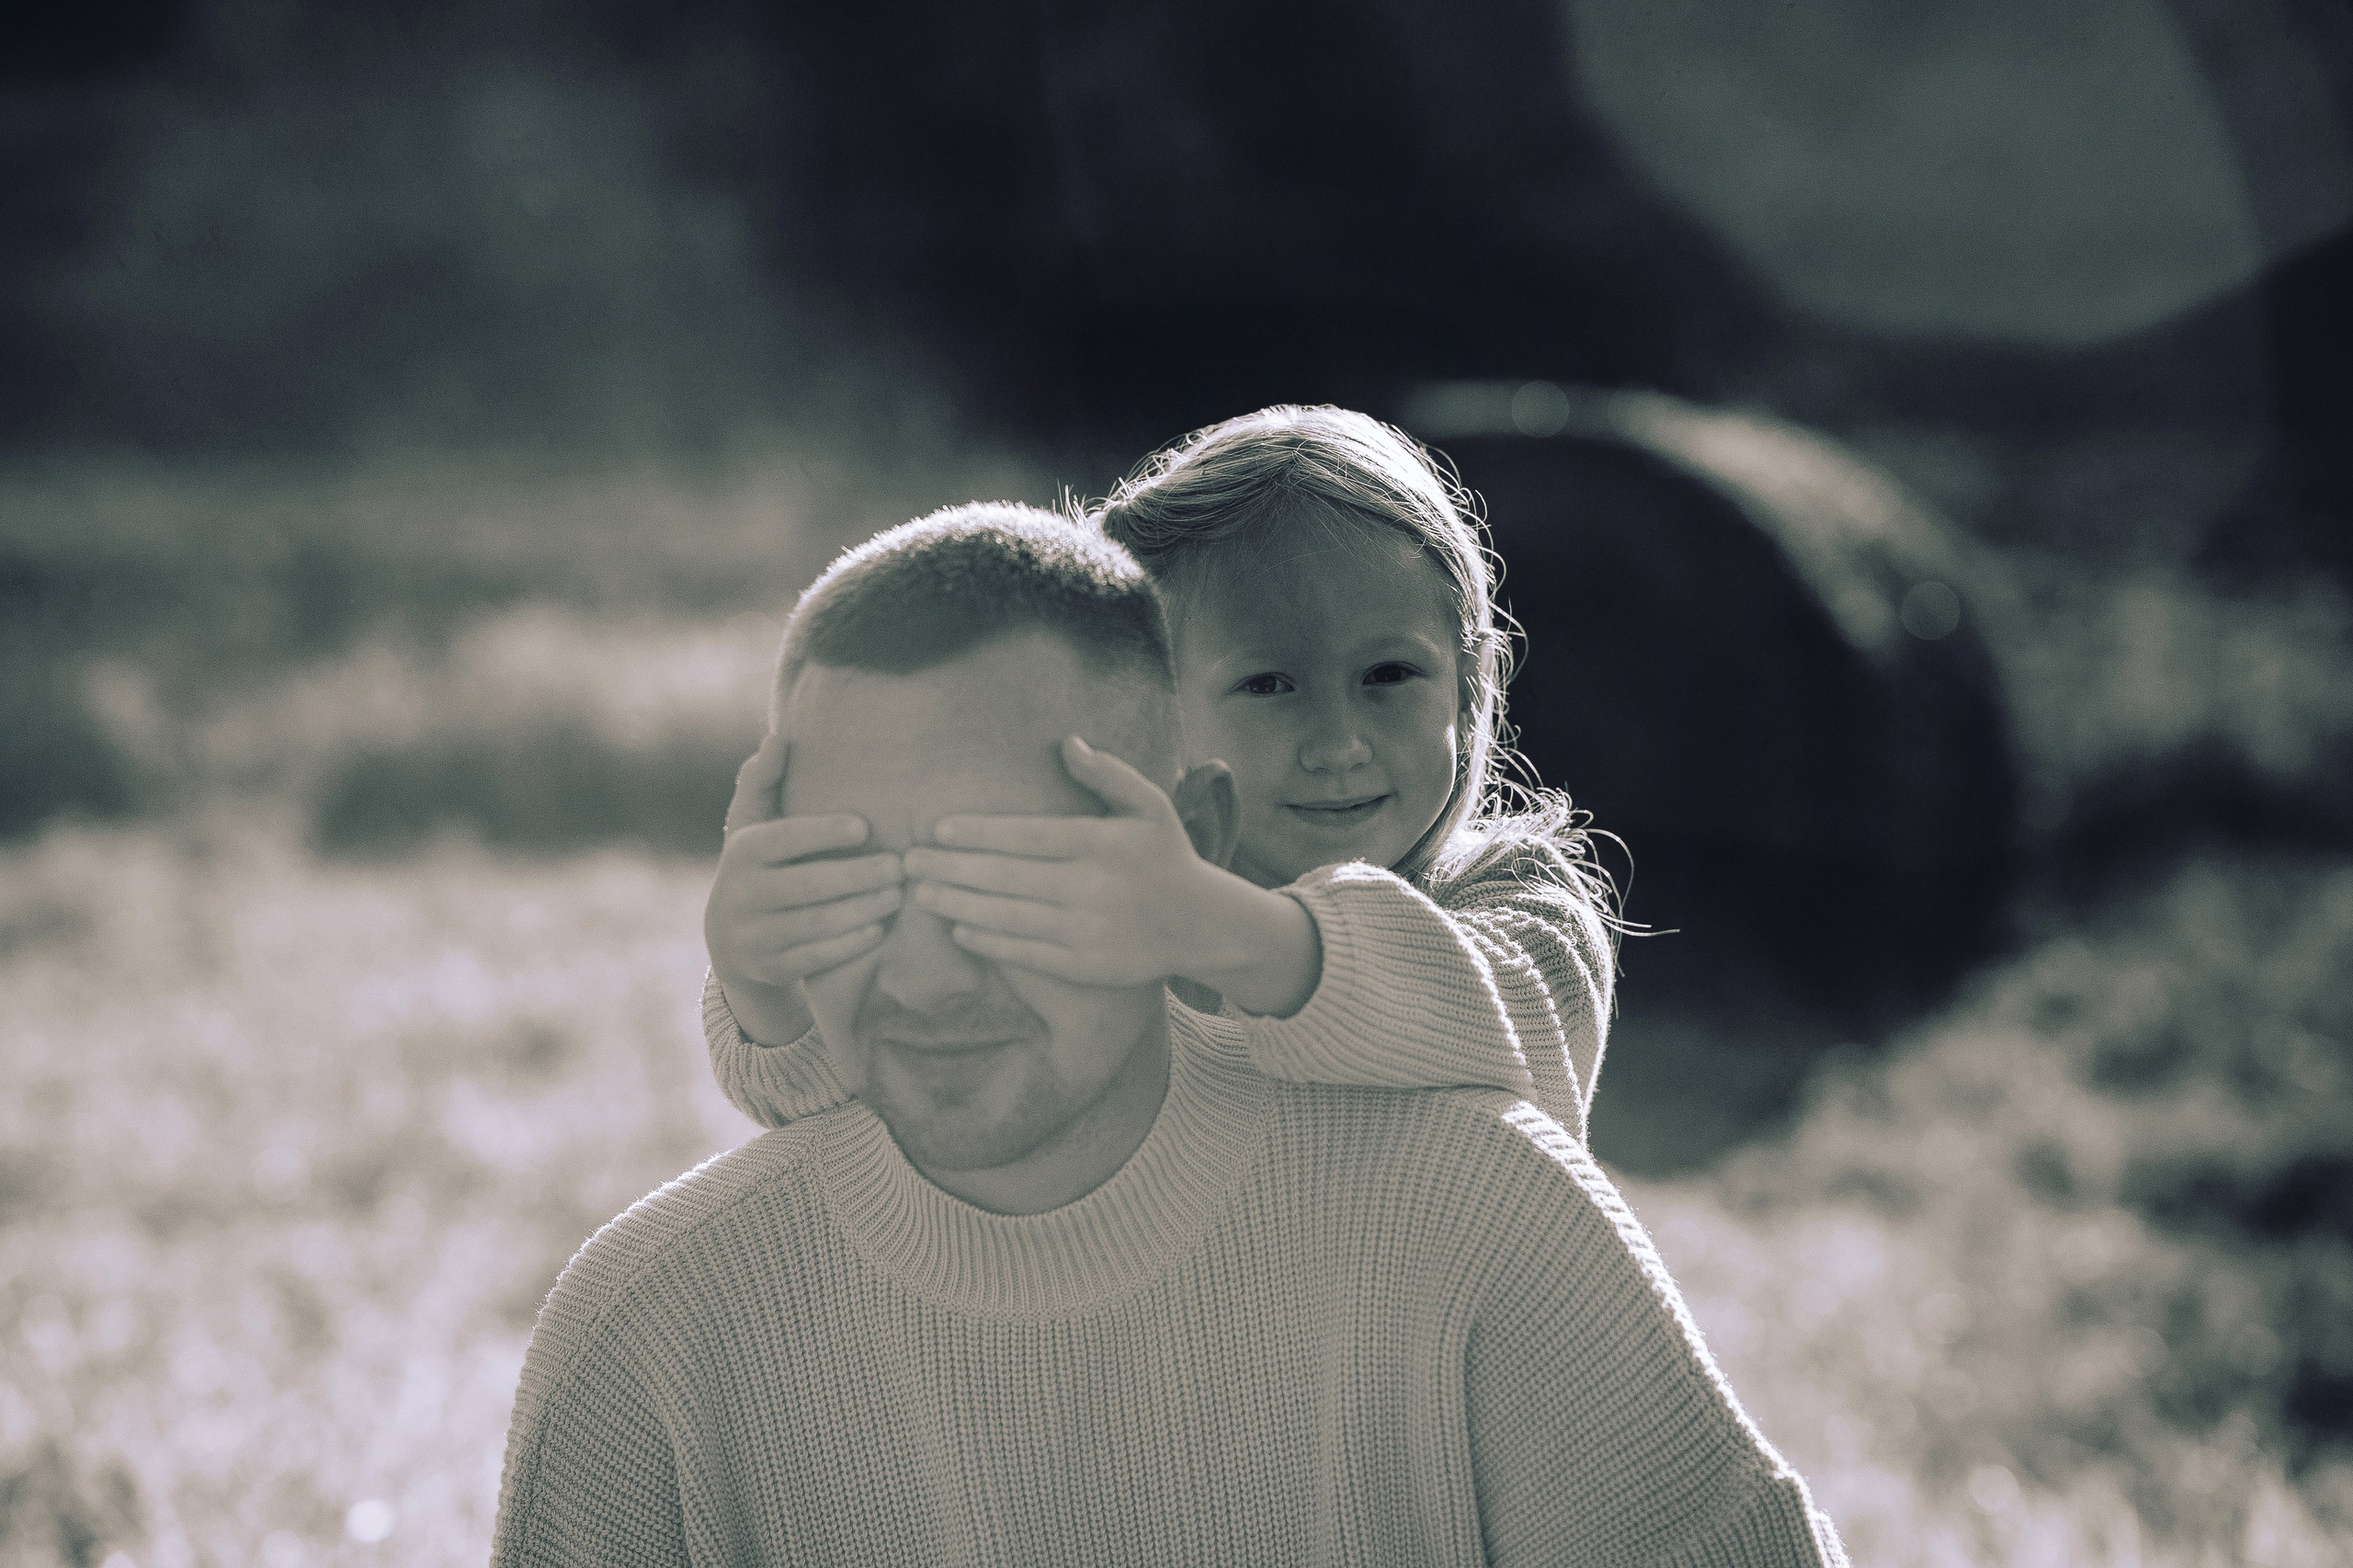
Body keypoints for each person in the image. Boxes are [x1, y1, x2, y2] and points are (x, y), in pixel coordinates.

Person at [494, 505, 1847, 1565]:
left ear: (1188, 847)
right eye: (852, 881)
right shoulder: (645, 1343)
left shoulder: (1487, 1221)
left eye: (1010, 880)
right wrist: (776, 996)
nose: (927, 966)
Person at [704, 405, 1619, 1153]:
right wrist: (768, 977)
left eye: (1388, 676)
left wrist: (1213, 927)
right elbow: (869, 1098)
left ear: (1474, 680)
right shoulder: (1100, 910)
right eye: (1270, 684)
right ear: (1152, 715)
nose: (1339, 741)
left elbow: (1521, 1035)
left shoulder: (1516, 904)